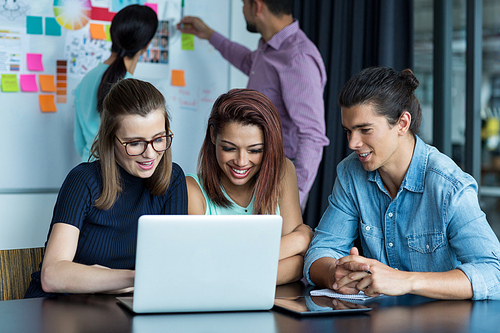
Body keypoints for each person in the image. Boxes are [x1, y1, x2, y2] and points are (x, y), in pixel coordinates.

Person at [304, 67, 500, 300]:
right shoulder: (350, 173)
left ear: (402, 123)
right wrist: (336, 274)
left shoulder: (448, 185)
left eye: (365, 130)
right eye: (348, 131)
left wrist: (407, 281)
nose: (353, 143)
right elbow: (321, 250)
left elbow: (494, 273)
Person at [25, 79, 187, 298]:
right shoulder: (83, 180)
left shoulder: (173, 179)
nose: (150, 153)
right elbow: (52, 275)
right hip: (63, 308)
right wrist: (134, 278)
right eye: (135, 143)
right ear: (111, 140)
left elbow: (172, 267)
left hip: (119, 306)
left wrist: (105, 278)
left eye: (159, 139)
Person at [178, 0, 329, 210]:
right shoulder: (269, 48)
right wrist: (209, 34)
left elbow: (312, 136)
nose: (242, 9)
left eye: (242, 3)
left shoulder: (298, 57)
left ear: (256, 6)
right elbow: (247, 61)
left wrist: (294, 199)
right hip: (252, 176)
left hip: (276, 182)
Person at [186, 88, 313, 285]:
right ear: (213, 136)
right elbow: (205, 272)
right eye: (229, 148)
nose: (241, 161)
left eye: (255, 150)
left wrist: (231, 269)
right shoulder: (191, 189)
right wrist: (299, 240)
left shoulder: (283, 171)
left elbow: (299, 264)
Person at [74, 4, 158, 162]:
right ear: (146, 44)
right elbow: (139, 150)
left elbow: (79, 142)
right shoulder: (133, 90)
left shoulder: (86, 80)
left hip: (86, 171)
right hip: (117, 177)